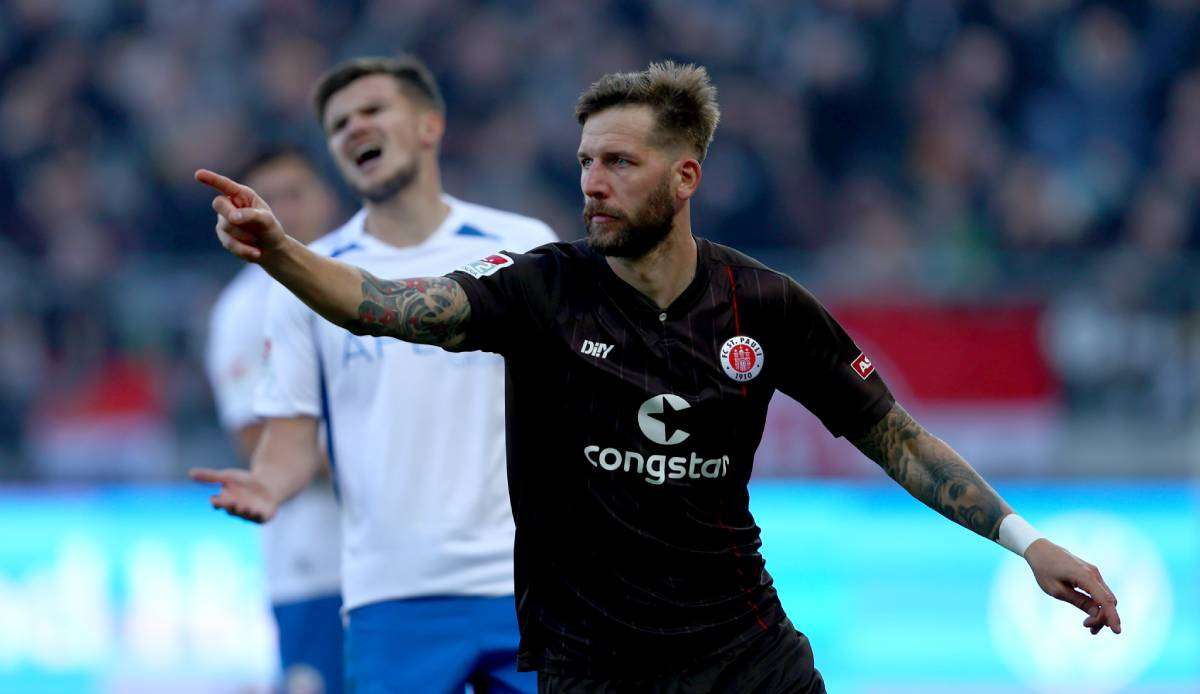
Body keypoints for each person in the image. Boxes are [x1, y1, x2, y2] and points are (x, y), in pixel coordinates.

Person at [196, 61, 1121, 693]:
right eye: (586, 161)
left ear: (684, 177)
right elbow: (383, 306)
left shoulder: (766, 305)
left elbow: (896, 438)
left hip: (742, 650)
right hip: (589, 664)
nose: (593, 181)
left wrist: (1028, 543)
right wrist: (280, 251)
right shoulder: (543, 288)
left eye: (619, 163)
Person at [192, 55, 556, 693]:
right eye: (338, 125)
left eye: (372, 111)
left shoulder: (524, 245)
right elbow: (291, 438)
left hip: (525, 585)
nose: (354, 128)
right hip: (389, 595)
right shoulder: (308, 276)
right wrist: (270, 487)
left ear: (428, 125)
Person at [203, 146, 345, 693]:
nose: (283, 209)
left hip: (400, 555)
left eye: (295, 194)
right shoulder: (243, 308)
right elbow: (254, 438)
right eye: (268, 197)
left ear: (325, 198)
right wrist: (382, 460)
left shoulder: (364, 276)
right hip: (311, 562)